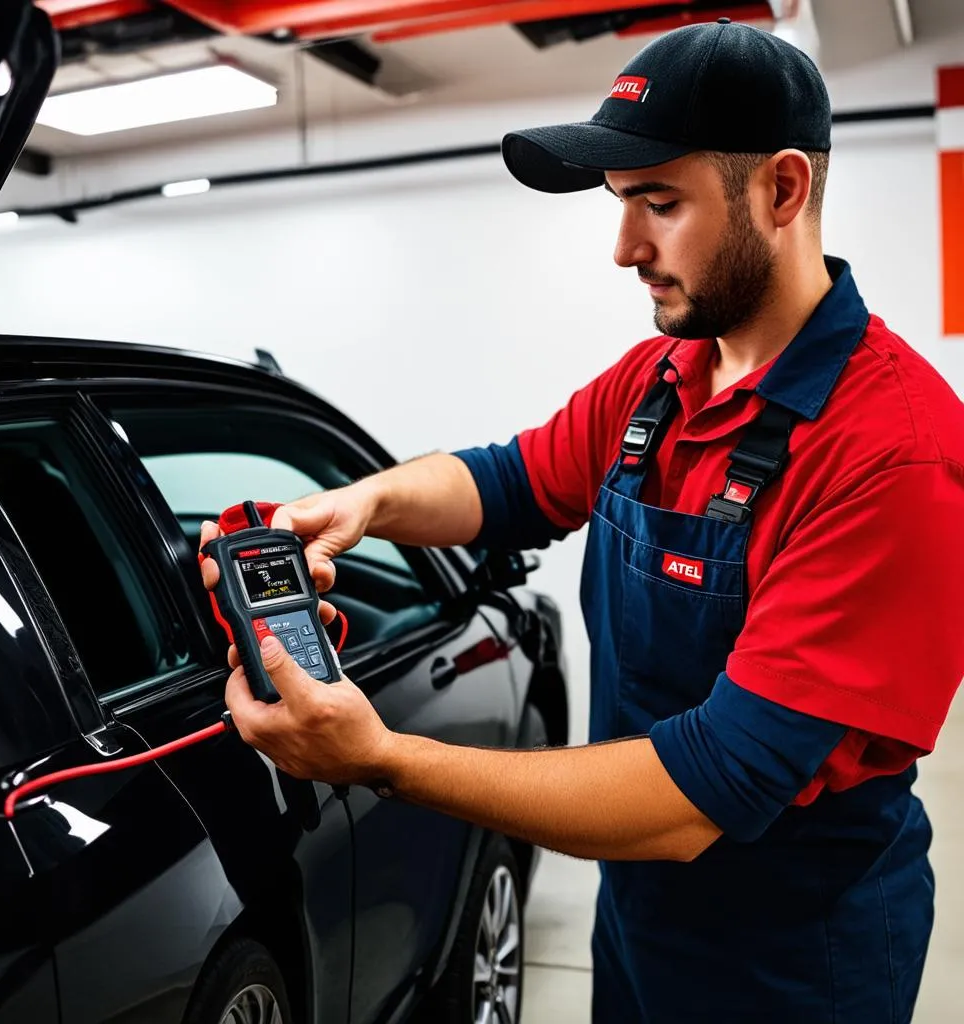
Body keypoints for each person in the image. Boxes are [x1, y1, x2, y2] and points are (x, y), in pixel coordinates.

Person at [200, 18, 964, 1023]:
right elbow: (506, 482)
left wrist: (381, 758)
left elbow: (703, 791)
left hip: (793, 956)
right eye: (619, 205)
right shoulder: (662, 379)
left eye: (658, 202)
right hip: (640, 912)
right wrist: (363, 503)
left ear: (781, 190)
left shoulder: (894, 452)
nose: (622, 249)